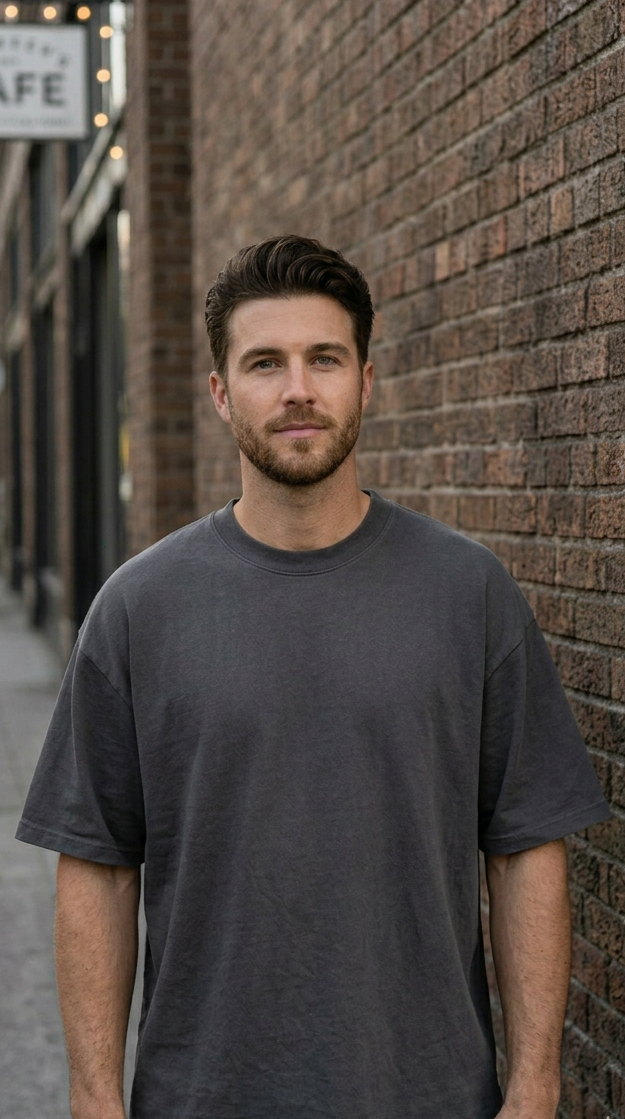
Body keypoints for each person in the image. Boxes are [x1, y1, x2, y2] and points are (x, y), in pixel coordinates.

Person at [18, 235, 609, 1119]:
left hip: (431, 1095)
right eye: (265, 362)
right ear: (221, 394)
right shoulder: (139, 608)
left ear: (364, 380)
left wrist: (532, 1086)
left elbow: (524, 842)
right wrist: (96, 1097)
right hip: (201, 1095)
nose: (297, 388)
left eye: (323, 358)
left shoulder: (466, 592)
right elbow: (98, 864)